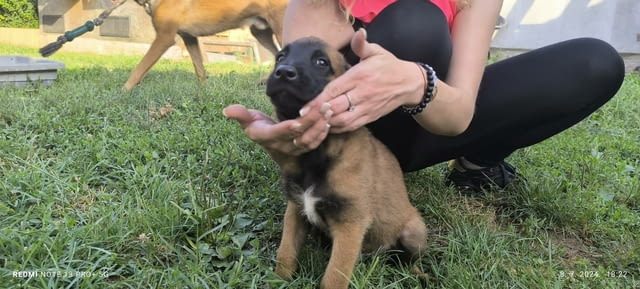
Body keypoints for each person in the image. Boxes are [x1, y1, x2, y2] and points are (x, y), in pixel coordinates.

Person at [224, 0, 625, 193]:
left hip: (429, 120)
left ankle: (475, 165)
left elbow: (457, 114)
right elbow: (298, 86)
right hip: (353, 138)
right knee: (416, 22)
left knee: (595, 63)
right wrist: (287, 129)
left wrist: (417, 83)